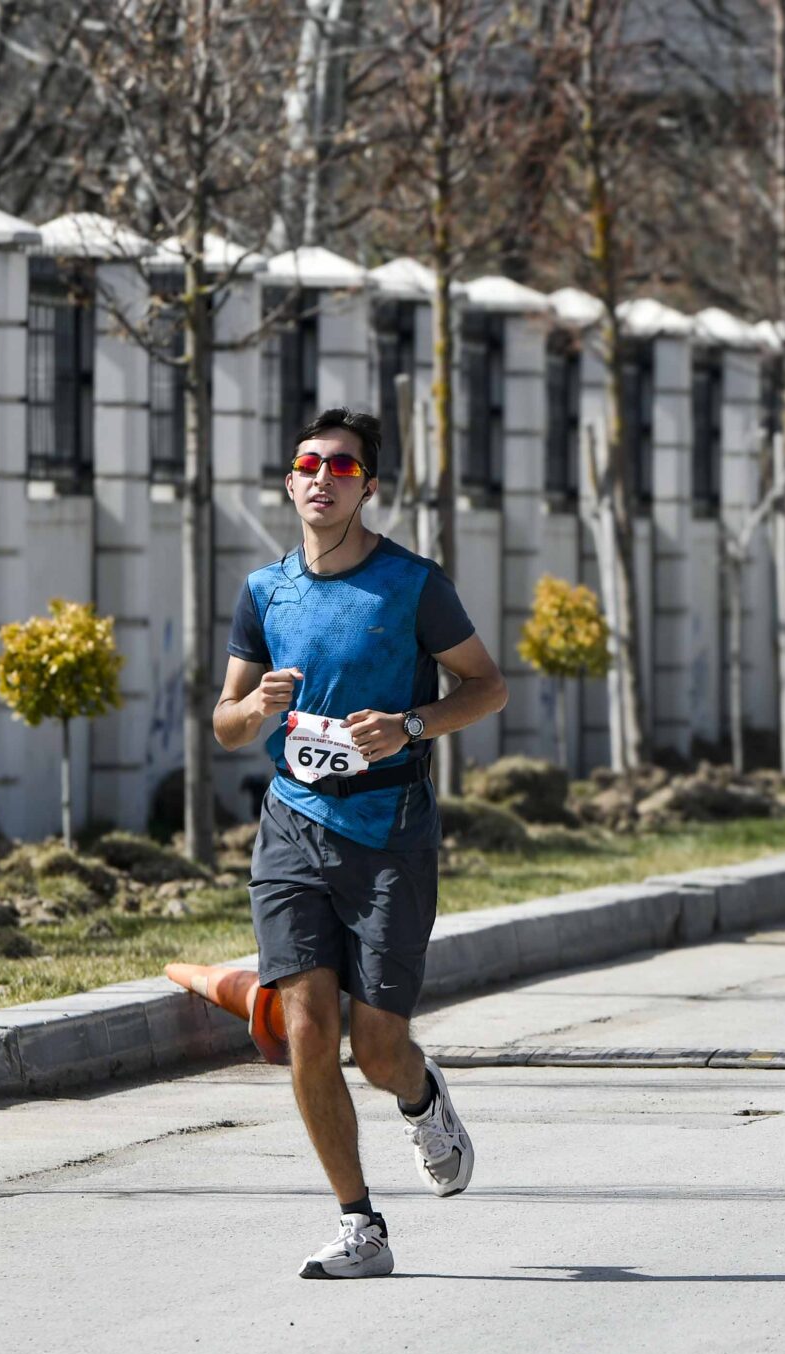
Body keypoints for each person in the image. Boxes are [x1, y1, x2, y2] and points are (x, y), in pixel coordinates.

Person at [213, 408, 508, 1279]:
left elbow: (487, 687)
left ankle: (421, 1095)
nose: (322, 478)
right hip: (292, 824)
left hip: (390, 832)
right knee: (307, 1028)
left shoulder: (413, 585)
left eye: (341, 467)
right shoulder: (265, 591)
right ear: (289, 481)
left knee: (377, 1047)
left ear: (368, 486)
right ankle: (359, 1224)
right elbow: (226, 722)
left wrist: (409, 724)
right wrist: (256, 707)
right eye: (308, 464)